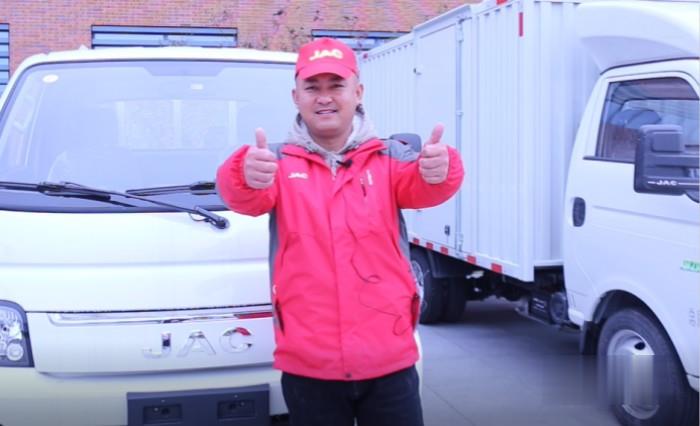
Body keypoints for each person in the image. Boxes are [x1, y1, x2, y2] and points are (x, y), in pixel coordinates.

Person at [216, 37, 464, 426]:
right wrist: (243, 174)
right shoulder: (275, 162)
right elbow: (244, 198)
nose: (324, 97)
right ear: (296, 97)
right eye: (312, 87)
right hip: (310, 363)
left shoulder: (390, 157)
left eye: (336, 85)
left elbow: (425, 187)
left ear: (358, 93)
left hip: (388, 358)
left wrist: (441, 169)